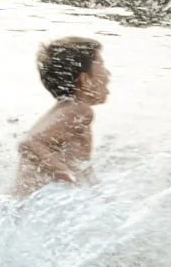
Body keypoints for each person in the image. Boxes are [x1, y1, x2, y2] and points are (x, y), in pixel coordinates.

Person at [9, 36, 109, 199]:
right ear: (85, 80)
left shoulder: (66, 110)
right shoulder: (79, 110)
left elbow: (82, 167)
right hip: (22, 210)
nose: (108, 74)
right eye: (102, 65)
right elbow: (29, 143)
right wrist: (69, 177)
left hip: (13, 207)